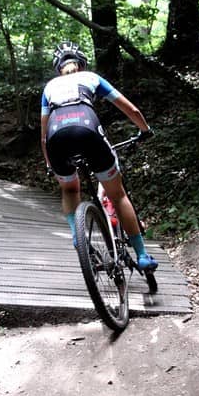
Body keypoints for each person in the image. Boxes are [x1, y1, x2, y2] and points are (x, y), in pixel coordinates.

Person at [41, 41, 158, 271]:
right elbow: (131, 109)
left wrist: (49, 163)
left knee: (70, 190)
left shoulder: (49, 88)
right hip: (87, 128)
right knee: (118, 195)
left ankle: (78, 237)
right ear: (81, 64)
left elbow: (44, 136)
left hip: (56, 138)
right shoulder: (91, 78)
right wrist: (145, 130)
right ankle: (142, 255)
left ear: (58, 68)